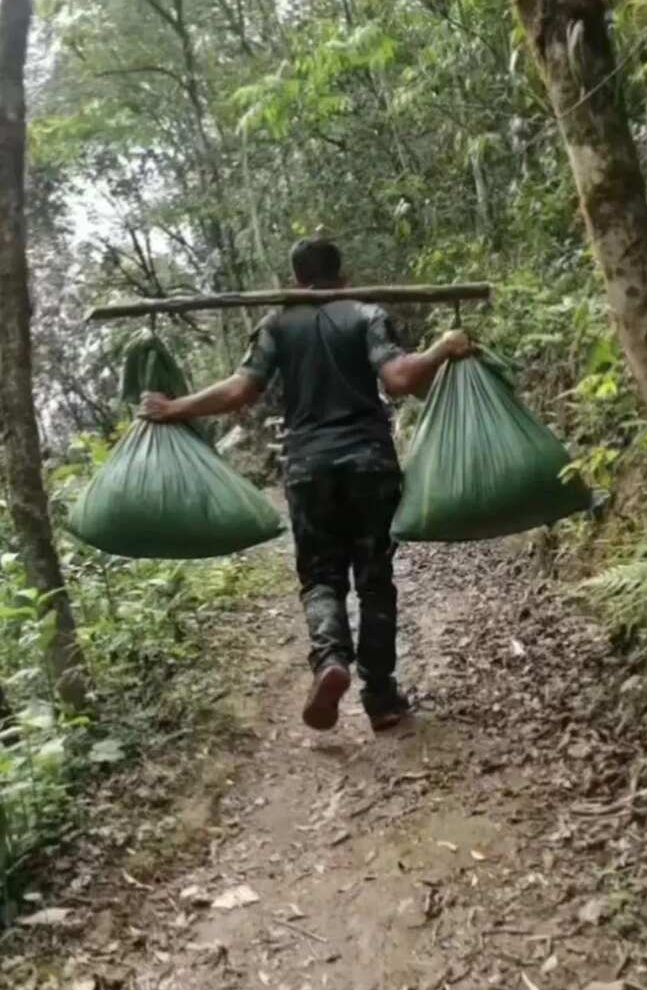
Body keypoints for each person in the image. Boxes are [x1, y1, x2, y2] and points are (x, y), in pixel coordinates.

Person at [140, 238, 472, 732]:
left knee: (321, 577)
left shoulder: (276, 325)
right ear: (343, 275)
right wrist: (444, 346)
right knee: (375, 580)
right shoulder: (365, 314)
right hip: (369, 464)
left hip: (308, 469)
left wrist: (174, 408)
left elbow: (241, 389)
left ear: (296, 279)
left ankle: (331, 660)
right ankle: (381, 697)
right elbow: (400, 379)